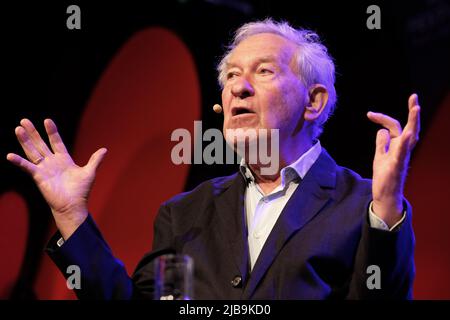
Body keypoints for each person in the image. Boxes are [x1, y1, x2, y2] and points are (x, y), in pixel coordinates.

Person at [7, 19, 420, 299]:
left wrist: (384, 214)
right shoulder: (184, 214)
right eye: (231, 76)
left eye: (263, 72)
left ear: (314, 102)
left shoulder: (363, 208)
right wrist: (71, 217)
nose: (238, 88)